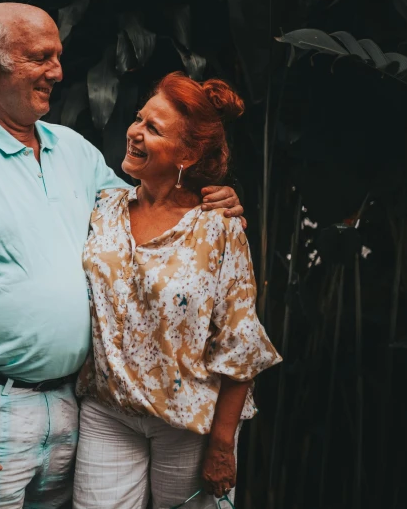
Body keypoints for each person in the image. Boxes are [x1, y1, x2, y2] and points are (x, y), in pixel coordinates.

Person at [0, 3, 245, 509]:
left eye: (58, 57)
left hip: (74, 409)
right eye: (41, 58)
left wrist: (210, 198)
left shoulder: (75, 152)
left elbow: (148, 209)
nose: (58, 73)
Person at [72, 73, 282, 509]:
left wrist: (223, 446)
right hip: (108, 412)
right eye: (138, 119)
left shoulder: (218, 227)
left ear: (187, 154)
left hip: (190, 425)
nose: (135, 132)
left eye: (153, 129)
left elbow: (239, 345)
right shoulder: (105, 208)